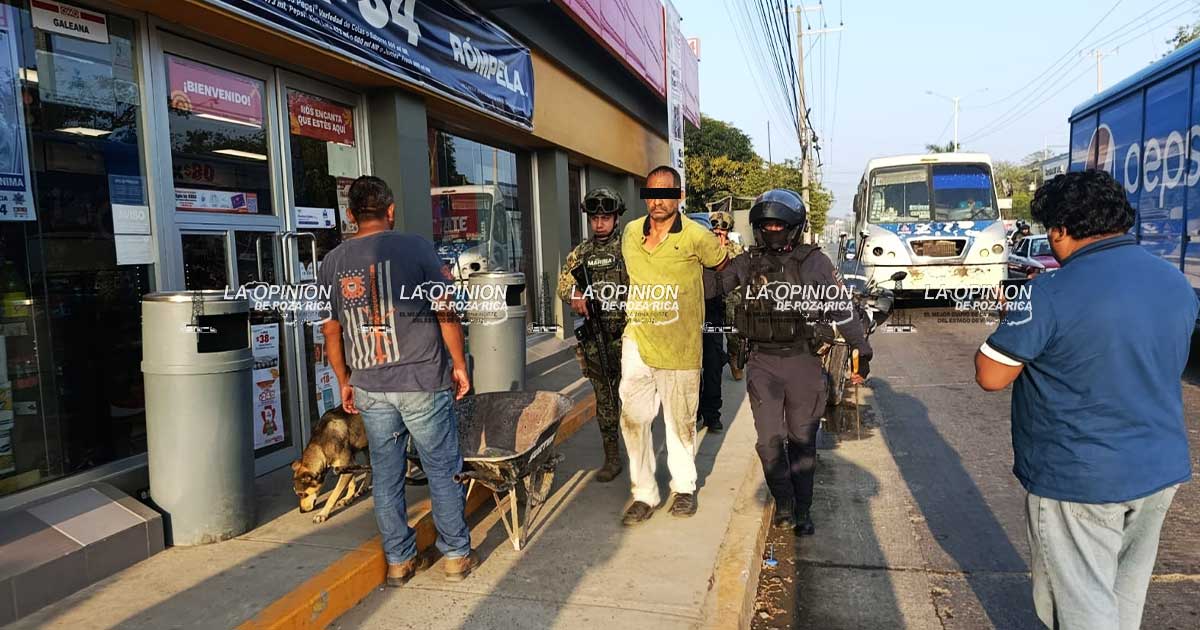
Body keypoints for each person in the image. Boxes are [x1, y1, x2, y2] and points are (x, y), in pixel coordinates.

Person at [975, 170, 1198, 630]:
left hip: (1079, 478)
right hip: (1158, 469)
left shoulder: (1047, 291)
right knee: (1121, 599)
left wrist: (1010, 317)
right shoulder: (1173, 281)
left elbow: (992, 375)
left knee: (1082, 610)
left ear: (1058, 229)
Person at [319, 175, 477, 587]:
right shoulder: (418, 247)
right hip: (423, 380)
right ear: (391, 211)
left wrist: (344, 379)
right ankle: (456, 555)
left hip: (370, 386)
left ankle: (398, 561)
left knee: (386, 475)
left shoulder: (332, 262)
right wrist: (459, 364)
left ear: (351, 215)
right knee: (442, 469)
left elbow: (331, 331)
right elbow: (445, 312)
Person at [711, 189, 871, 536]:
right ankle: (783, 501)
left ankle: (804, 508)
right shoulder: (747, 262)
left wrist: (862, 348)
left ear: (794, 228)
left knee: (802, 441)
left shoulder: (814, 261)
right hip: (762, 363)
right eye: (765, 225)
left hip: (803, 362)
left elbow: (842, 309)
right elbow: (712, 287)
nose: (772, 231)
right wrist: (699, 253)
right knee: (768, 441)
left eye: (779, 225)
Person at [618, 165, 728, 525]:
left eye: (666, 193)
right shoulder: (631, 233)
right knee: (633, 419)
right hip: (638, 339)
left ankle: (683, 488)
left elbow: (722, 264)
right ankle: (644, 493)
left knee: (679, 422)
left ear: (679, 197)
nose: (658, 201)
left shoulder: (697, 236)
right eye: (651, 194)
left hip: (681, 346)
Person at [557, 187, 628, 483]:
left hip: (628, 337)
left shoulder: (629, 248)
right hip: (596, 339)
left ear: (615, 218)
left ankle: (641, 456)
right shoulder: (581, 253)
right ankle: (612, 457)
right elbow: (562, 284)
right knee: (606, 400)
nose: (599, 223)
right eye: (594, 218)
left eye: (606, 217)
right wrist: (574, 292)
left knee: (635, 401)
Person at [696, 210, 744, 435]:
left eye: (722, 231)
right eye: (714, 231)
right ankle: (696, 411)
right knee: (695, 367)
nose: (718, 235)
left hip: (721, 309)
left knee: (714, 364)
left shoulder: (734, 251)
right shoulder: (699, 249)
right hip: (697, 312)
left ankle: (712, 414)